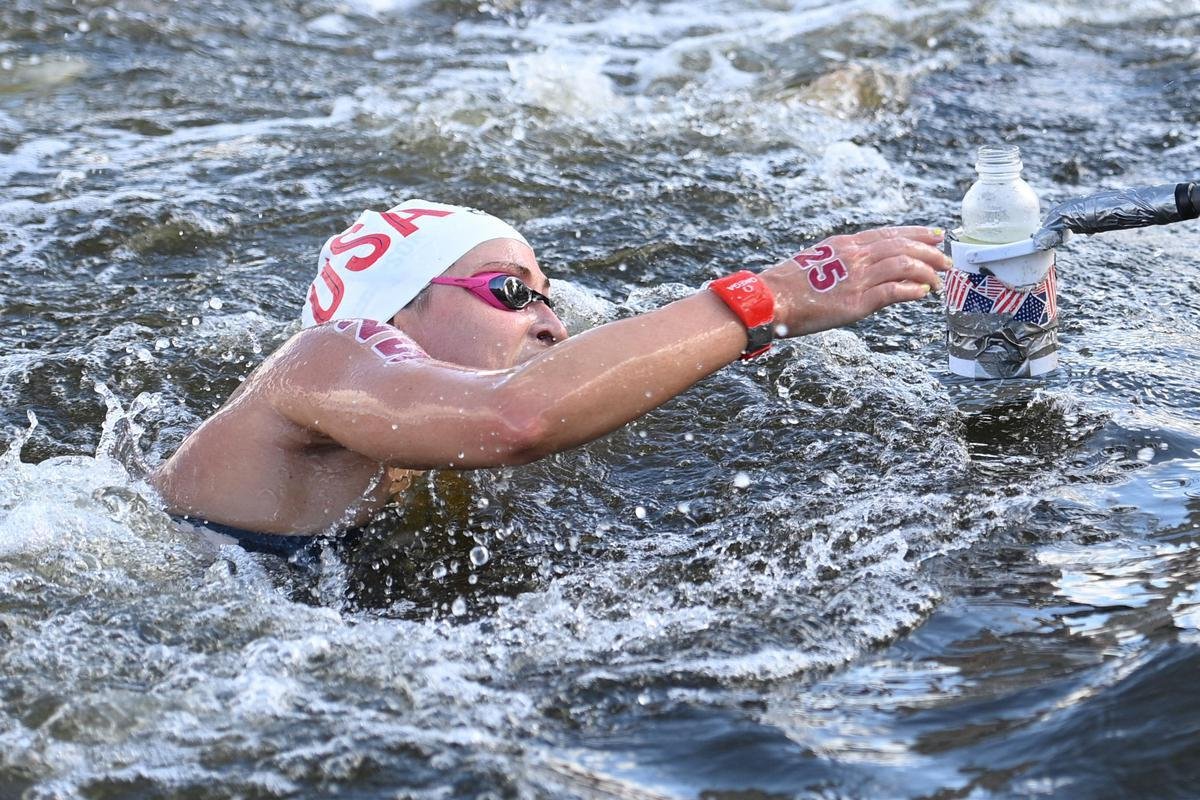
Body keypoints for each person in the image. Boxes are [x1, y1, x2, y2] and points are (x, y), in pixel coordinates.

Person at [151, 200, 950, 556]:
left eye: (548, 298)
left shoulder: (396, 440)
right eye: (508, 291)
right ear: (389, 315)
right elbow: (516, 421)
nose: (551, 323)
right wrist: (766, 298)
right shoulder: (321, 359)